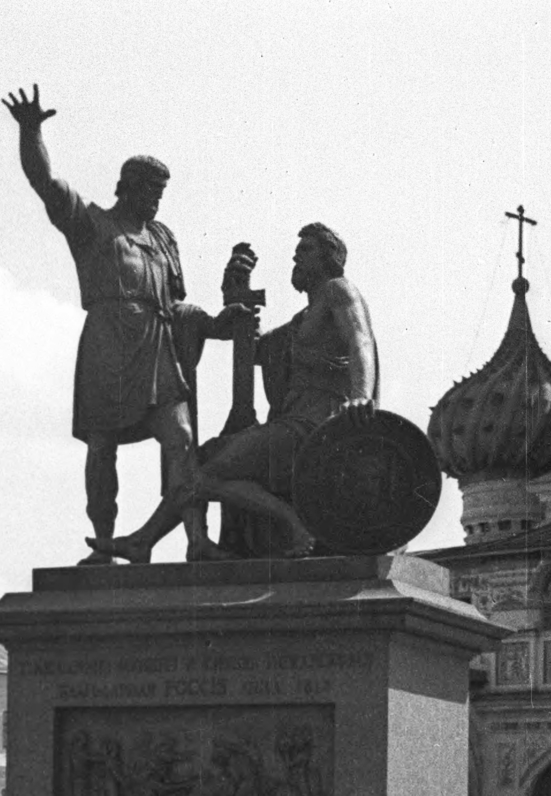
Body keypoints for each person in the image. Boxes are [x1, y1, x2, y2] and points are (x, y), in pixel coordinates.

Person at [2, 84, 245, 565]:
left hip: (156, 351)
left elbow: (177, 307)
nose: (156, 200)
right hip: (107, 347)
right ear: (126, 188)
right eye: (149, 191)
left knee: (181, 439)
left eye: (161, 192)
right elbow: (46, 183)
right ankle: (105, 545)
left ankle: (197, 540)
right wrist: (31, 132)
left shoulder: (162, 239)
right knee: (101, 447)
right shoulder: (92, 225)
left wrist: (217, 323)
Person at [109, 223, 379, 564]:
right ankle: (144, 540)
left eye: (306, 249)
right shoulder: (302, 320)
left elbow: (361, 342)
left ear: (330, 258)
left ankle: (293, 523)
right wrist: (236, 298)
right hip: (292, 426)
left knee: (203, 476)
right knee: (198, 458)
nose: (296, 256)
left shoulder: (338, 291)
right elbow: (252, 352)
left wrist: (362, 396)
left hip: (319, 427)